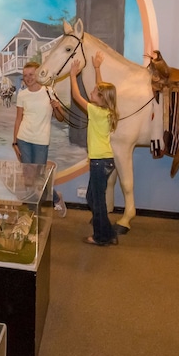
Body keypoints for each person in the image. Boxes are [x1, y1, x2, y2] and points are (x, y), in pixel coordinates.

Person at [69, 52, 119, 246]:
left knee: (97, 201)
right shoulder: (106, 110)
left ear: (100, 98)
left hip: (99, 162)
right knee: (93, 197)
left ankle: (101, 237)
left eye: (94, 92)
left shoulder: (96, 112)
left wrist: (73, 75)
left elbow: (76, 95)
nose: (92, 91)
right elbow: (102, 89)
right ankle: (108, 231)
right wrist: (97, 68)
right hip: (105, 161)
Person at [12, 60, 67, 217]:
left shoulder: (49, 91)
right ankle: (31, 210)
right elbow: (18, 119)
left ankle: (56, 198)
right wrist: (15, 142)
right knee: (28, 176)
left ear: (38, 74)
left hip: (41, 140)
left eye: (31, 74)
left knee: (39, 177)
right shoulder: (22, 94)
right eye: (25, 75)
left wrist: (57, 106)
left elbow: (61, 118)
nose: (28, 78)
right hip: (24, 139)